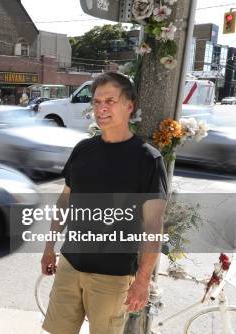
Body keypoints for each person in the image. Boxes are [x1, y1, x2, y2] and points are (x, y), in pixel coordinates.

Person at [40, 72, 168, 334]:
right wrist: (49, 246)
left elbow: (154, 227)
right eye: (97, 102)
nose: (102, 108)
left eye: (110, 100)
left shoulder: (148, 160)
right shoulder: (83, 149)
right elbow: (65, 199)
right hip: (70, 265)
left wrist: (142, 281)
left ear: (129, 106)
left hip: (112, 276)